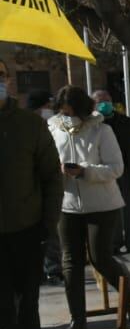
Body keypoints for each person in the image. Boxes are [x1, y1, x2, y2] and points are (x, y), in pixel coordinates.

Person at [48, 86, 130, 329]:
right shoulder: (53, 130)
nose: (67, 117)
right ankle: (77, 319)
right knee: (70, 261)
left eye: (71, 113)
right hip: (67, 204)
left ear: (82, 110)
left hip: (102, 204)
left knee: (100, 257)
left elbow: (116, 168)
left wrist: (84, 171)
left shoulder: (102, 130)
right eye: (63, 113)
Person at [0, 69, 62, 329]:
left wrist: (48, 223)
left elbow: (52, 176)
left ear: (7, 82)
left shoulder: (30, 125)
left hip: (26, 226)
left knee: (26, 296)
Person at [90, 90, 130, 253]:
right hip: (105, 172)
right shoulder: (92, 124)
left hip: (128, 172)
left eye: (107, 100)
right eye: (100, 101)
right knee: (112, 210)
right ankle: (115, 243)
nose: (104, 104)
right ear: (93, 104)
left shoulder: (126, 122)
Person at [27, 89, 63, 285]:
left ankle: (52, 269)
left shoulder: (51, 126)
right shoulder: (25, 127)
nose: (50, 110)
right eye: (47, 106)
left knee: (50, 230)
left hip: (46, 188)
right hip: (28, 192)